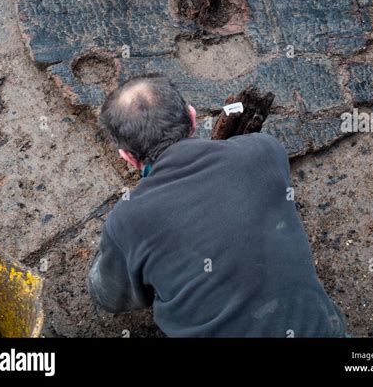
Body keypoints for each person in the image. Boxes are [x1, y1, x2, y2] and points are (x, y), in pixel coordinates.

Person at [87, 74, 347, 338]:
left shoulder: (127, 221)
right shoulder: (264, 150)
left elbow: (109, 296)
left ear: (127, 156)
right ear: (192, 117)